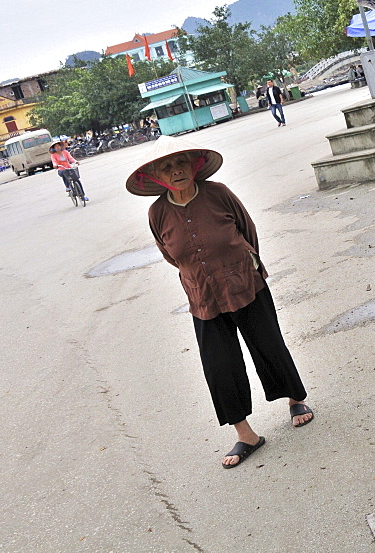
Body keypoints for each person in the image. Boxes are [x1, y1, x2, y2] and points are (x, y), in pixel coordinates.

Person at [128, 136, 314, 468]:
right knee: (219, 364)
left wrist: (239, 264)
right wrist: (201, 272)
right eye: (167, 167)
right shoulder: (157, 212)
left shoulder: (218, 193)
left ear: (194, 165)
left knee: (268, 344)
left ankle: (295, 399)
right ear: (157, 175)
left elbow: (247, 230)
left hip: (243, 281)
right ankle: (246, 434)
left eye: (181, 163)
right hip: (202, 294)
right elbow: (171, 256)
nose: (176, 171)